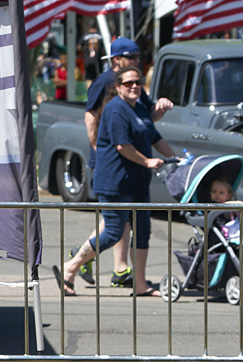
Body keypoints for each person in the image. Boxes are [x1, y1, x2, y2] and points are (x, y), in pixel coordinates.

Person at [54, 66, 176, 298]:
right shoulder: (115, 109)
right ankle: (71, 267)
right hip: (115, 182)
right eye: (128, 83)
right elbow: (123, 146)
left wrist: (175, 158)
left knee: (143, 232)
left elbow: (154, 137)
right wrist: (148, 161)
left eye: (137, 82)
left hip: (138, 182)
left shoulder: (140, 107)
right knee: (112, 232)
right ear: (118, 87)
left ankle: (140, 284)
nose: (134, 86)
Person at [78, 37, 174, 288]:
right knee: (116, 222)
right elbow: (91, 116)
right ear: (116, 60)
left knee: (124, 220)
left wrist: (160, 110)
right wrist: (100, 149)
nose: (136, 61)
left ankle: (120, 268)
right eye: (131, 57)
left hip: (134, 162)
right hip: (112, 162)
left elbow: (147, 122)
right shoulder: (105, 82)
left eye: (138, 57)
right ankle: (81, 257)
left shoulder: (135, 89)